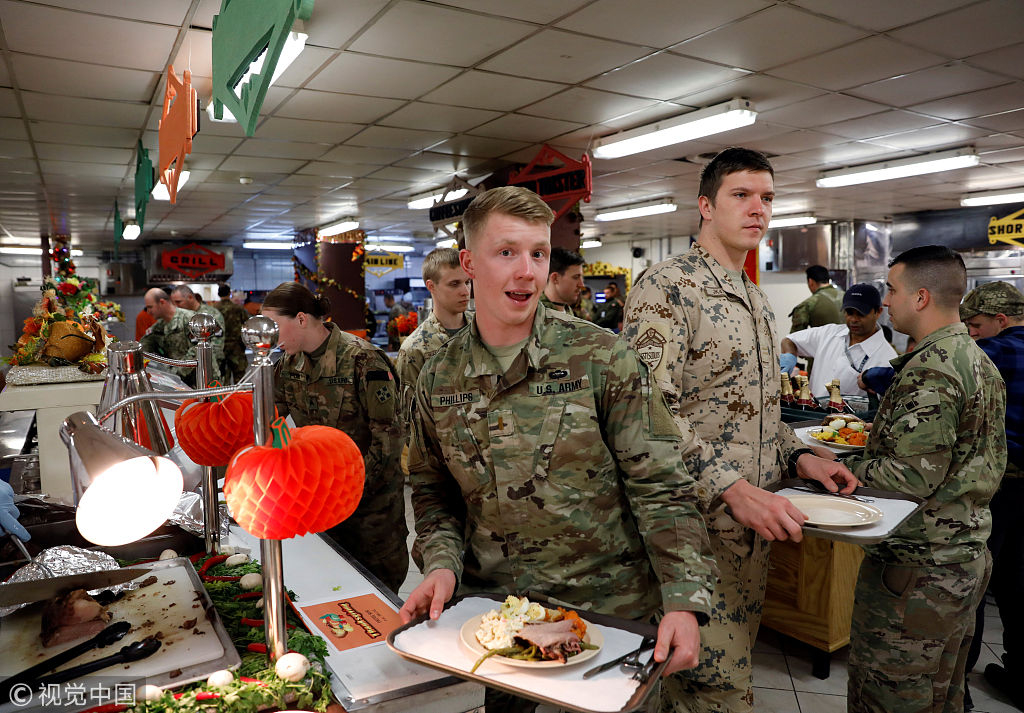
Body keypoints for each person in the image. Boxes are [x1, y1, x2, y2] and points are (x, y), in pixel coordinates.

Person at [400, 186, 719, 712]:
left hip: (606, 619)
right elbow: (433, 490)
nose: (527, 271)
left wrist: (684, 599)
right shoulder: (436, 376)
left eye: (538, 253)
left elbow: (662, 487)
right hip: (496, 620)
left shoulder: (603, 358)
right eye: (506, 252)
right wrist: (441, 566)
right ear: (469, 263)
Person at [621, 147, 858, 713]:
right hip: (688, 533)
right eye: (742, 195)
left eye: (768, 198)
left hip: (750, 537)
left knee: (715, 676)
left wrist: (801, 459)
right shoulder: (668, 286)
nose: (759, 209)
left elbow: (759, 413)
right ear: (705, 205)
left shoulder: (752, 297)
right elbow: (648, 411)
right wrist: (728, 486)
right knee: (712, 691)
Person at [844, 246, 1005, 713]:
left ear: (920, 297)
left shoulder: (933, 368)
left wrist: (831, 469)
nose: (886, 302)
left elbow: (906, 477)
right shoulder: (975, 358)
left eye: (891, 291)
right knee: (942, 695)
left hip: (918, 569)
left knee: (890, 697)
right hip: (962, 558)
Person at [262, 282, 408, 593]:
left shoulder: (363, 360)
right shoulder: (288, 364)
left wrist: (345, 488)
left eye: (274, 326)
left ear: (301, 318)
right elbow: (272, 421)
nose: (270, 337)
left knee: (379, 593)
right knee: (332, 590)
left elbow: (390, 438)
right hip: (319, 505)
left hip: (370, 508)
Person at [955, 281, 1024, 709]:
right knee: (1018, 583)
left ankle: (957, 685)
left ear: (1000, 321)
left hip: (999, 486)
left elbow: (926, 372)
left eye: (976, 325)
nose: (972, 333)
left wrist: (874, 375)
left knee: (975, 581)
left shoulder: (994, 352)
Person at [395, 248, 472, 430]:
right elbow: (409, 421)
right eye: (454, 284)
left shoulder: (486, 332)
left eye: (467, 282)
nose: (465, 291)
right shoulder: (415, 349)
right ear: (431, 286)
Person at [779, 283, 897, 398]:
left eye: (861, 314)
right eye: (849, 313)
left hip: (852, 418)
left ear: (878, 312)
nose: (854, 319)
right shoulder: (828, 333)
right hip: (812, 414)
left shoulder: (887, 358)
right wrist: (789, 356)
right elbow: (789, 341)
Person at [140, 287, 216, 387]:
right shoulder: (158, 327)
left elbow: (197, 351)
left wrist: (172, 374)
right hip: (181, 383)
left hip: (202, 381)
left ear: (162, 302)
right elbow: (144, 346)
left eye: (150, 307)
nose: (148, 312)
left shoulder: (189, 319)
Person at [170, 285, 226, 382]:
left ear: (190, 298)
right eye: (173, 303)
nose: (176, 306)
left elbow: (217, 345)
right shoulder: (180, 317)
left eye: (178, 302)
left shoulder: (211, 314)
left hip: (208, 368)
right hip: (186, 371)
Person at [789, 264, 844, 333]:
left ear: (810, 282)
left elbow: (795, 338)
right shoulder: (847, 297)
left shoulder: (807, 305)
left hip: (823, 343)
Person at [213, 283, 249, 383]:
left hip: (220, 347)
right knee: (239, 377)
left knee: (224, 377)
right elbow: (247, 324)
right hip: (236, 347)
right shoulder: (238, 309)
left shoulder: (214, 309)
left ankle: (226, 398)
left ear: (218, 294)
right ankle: (241, 398)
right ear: (230, 293)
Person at [539, 247, 585, 314]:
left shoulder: (568, 311)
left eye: (581, 278)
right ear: (555, 278)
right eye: (576, 277)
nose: (581, 285)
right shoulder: (536, 314)